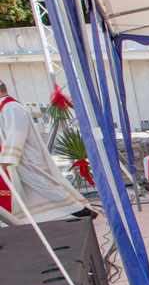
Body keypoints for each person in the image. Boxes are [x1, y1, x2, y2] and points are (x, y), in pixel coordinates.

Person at [0, 83, 92, 221]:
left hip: (26, 158)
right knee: (29, 191)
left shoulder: (11, 107)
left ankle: (80, 210)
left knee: (43, 185)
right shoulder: (4, 108)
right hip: (17, 160)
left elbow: (17, 133)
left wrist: (7, 159)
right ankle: (31, 218)